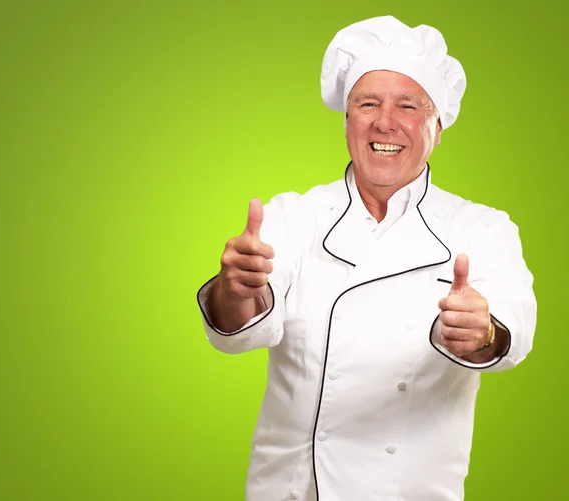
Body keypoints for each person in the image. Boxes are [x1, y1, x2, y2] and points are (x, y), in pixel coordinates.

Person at [196, 15, 537, 501]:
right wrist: (235, 291)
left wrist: (479, 332)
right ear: (348, 120)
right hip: (291, 490)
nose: (384, 122)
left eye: (408, 106)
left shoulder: (481, 228)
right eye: (368, 103)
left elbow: (510, 333)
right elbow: (240, 331)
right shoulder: (293, 216)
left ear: (437, 127)